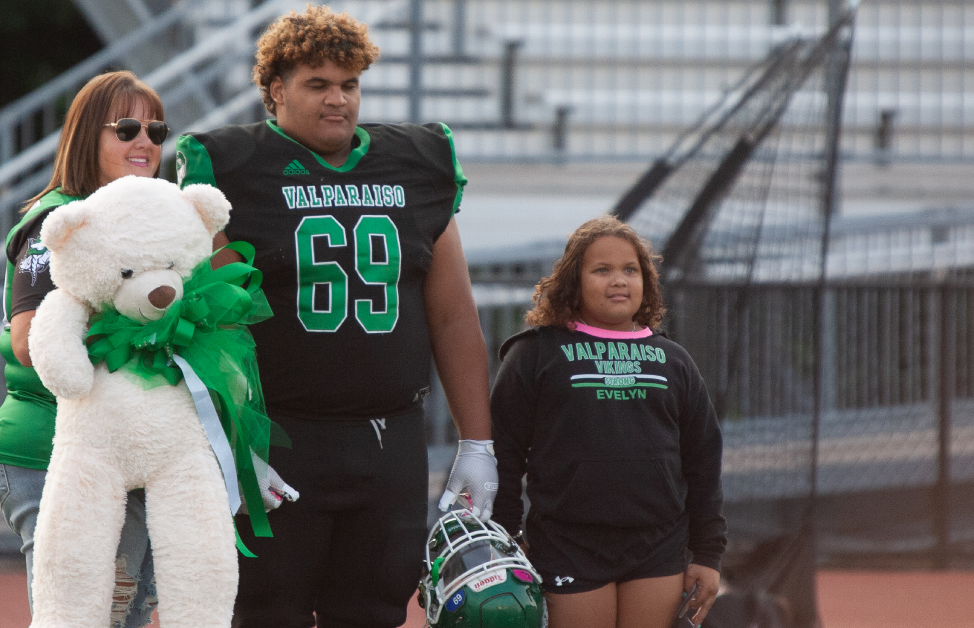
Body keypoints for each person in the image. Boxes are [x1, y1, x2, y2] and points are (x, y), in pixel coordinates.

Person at [174, 6, 498, 627]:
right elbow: (210, 326)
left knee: (375, 611)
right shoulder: (234, 167)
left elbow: (454, 317)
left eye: (348, 84)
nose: (338, 100)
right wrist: (234, 443)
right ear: (275, 90)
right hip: (281, 439)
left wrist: (477, 442)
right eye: (317, 84)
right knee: (268, 610)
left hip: (388, 440)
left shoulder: (415, 162)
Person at [0, 70, 171, 628]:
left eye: (156, 131)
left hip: (127, 454)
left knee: (125, 618)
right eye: (128, 127)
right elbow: (30, 338)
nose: (145, 142)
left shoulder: (153, 223)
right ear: (88, 135)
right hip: (52, 449)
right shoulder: (55, 221)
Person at [490, 215, 727, 628]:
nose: (618, 280)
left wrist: (708, 554)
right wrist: (507, 538)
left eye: (630, 270)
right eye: (602, 270)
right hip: (566, 545)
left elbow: (704, 459)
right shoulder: (535, 354)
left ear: (646, 281)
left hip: (657, 547)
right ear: (573, 282)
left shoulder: (675, 361)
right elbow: (503, 452)